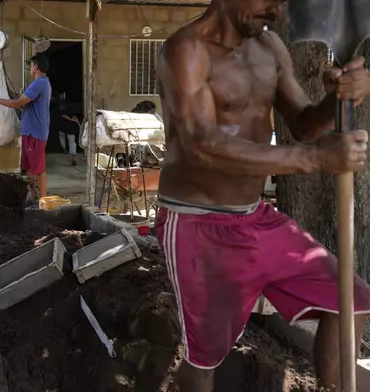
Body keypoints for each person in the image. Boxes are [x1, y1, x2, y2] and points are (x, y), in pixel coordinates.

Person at [155, 1, 370, 391]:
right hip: (197, 225)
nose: (276, 9)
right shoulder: (185, 51)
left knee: (351, 299)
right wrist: (316, 159)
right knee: (204, 362)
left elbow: (305, 126)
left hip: (255, 217)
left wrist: (337, 99)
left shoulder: (270, 48)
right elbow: (202, 147)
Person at [0, 54, 52, 201]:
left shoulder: (39, 83)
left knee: (39, 169)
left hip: (36, 133)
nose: (30, 69)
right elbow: (20, 101)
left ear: (36, 67)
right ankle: (34, 195)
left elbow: (18, 103)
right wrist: (5, 86)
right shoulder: (40, 84)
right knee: (29, 167)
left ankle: (44, 200)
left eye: (31, 66)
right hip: (30, 132)